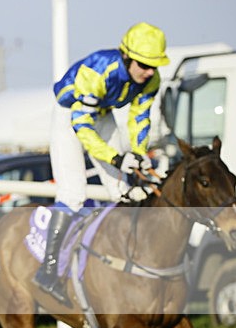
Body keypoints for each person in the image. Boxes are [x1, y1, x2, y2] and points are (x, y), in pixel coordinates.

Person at [34, 22, 169, 305]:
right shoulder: (98, 70)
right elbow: (83, 127)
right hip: (71, 115)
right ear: (127, 57)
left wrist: (138, 154)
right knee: (73, 194)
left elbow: (140, 118)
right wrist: (117, 158)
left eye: (153, 66)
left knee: (123, 190)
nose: (149, 72)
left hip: (103, 114)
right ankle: (48, 271)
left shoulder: (151, 79)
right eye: (144, 65)